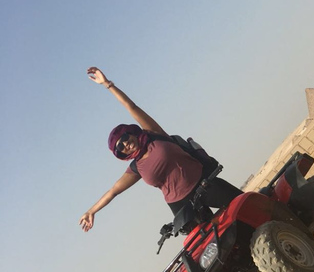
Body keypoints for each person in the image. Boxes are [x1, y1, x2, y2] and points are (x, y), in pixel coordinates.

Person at [78, 67, 242, 233]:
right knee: (213, 246)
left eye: (125, 138)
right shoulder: (136, 168)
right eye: (120, 146)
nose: (126, 144)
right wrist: (91, 211)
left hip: (205, 184)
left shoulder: (153, 134)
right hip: (182, 206)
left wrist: (108, 84)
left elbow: (131, 107)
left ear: (132, 133)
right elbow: (113, 191)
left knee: (246, 207)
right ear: (121, 153)